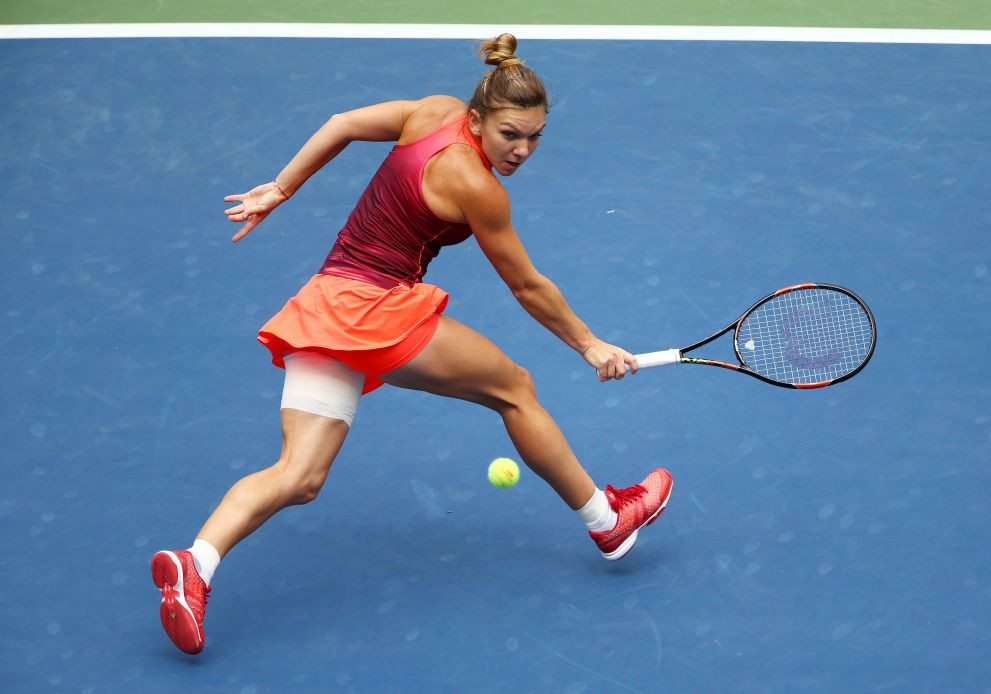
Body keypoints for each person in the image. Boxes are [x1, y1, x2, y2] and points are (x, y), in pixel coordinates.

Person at [151, 33, 672, 656]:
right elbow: (527, 286)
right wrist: (588, 344)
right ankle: (608, 522)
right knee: (515, 391)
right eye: (510, 134)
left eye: (535, 136)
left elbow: (342, 123)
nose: (523, 150)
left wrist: (280, 187)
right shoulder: (479, 188)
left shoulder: (431, 110)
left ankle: (195, 565)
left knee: (300, 476)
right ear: (477, 119)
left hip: (325, 303)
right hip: (375, 309)